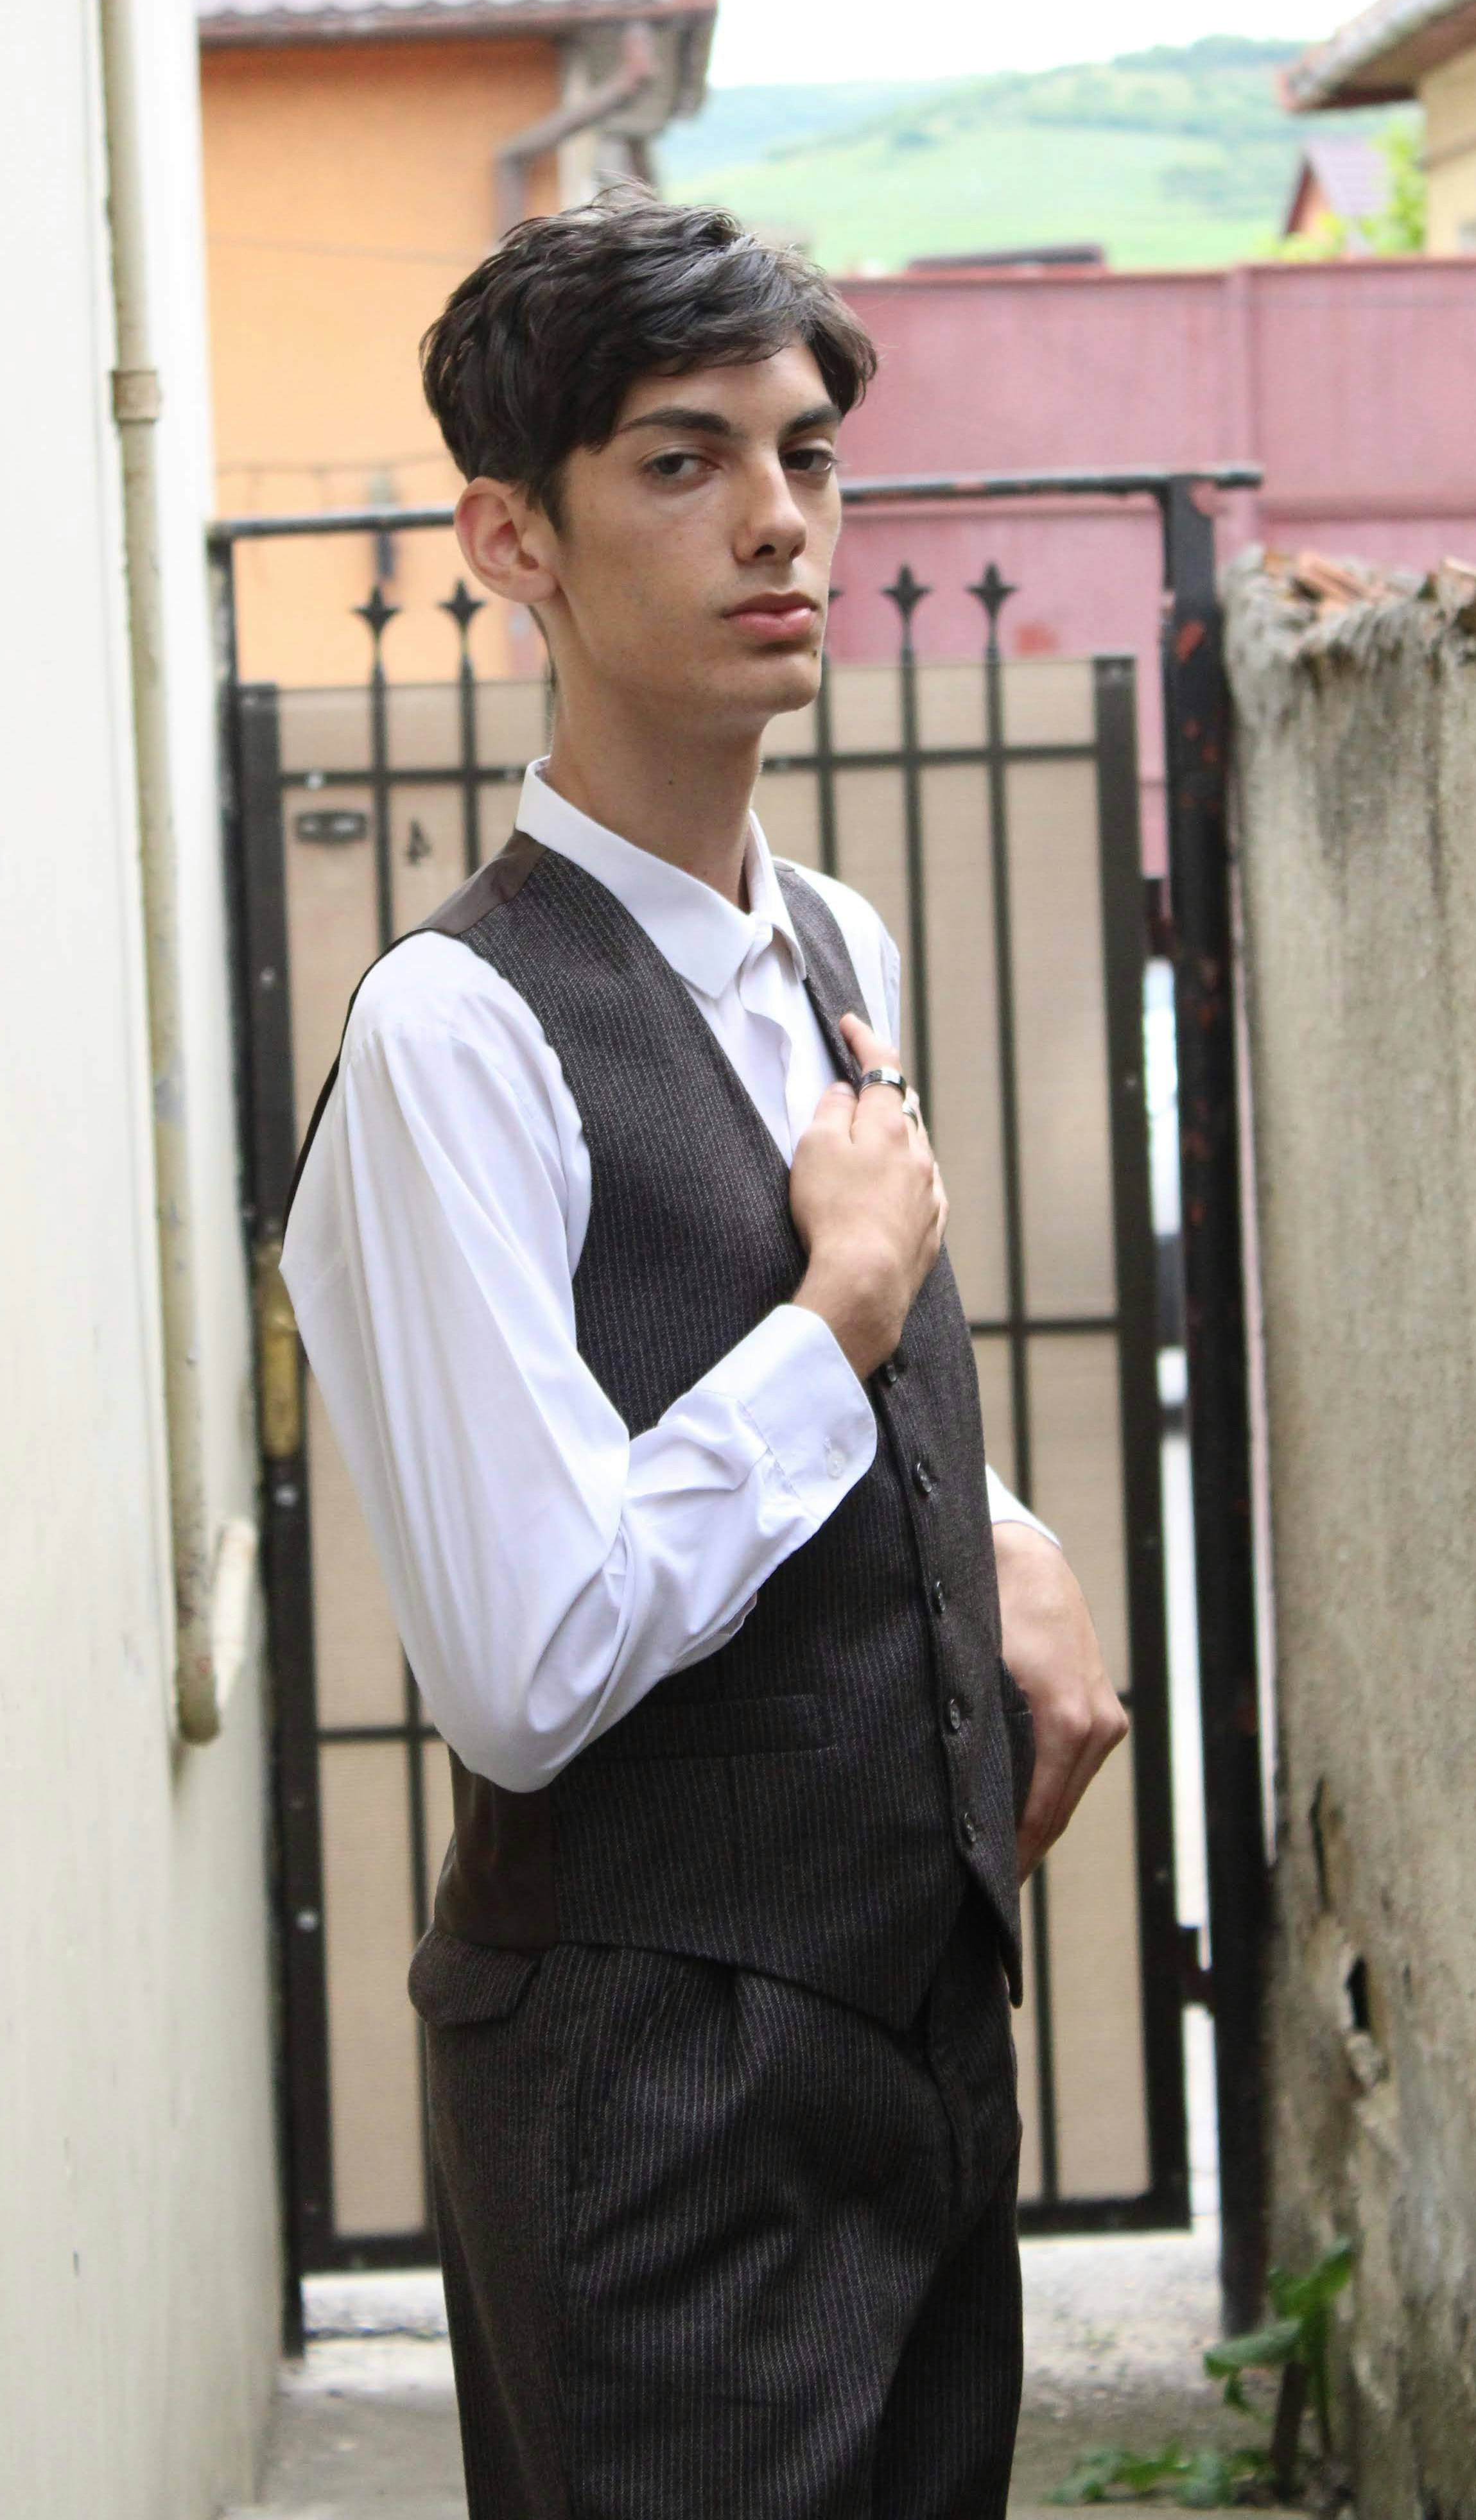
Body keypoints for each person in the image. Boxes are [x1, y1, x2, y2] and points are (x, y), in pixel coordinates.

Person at [282, 196, 1127, 2519]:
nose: (777, 518)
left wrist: (1003, 1534)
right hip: (653, 2105)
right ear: (508, 540)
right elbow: (530, 1657)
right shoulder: (453, 1033)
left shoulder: (833, 940)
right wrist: (833, 1316)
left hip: (915, 2050)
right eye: (678, 459)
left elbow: (814, 1443)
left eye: (805, 451)